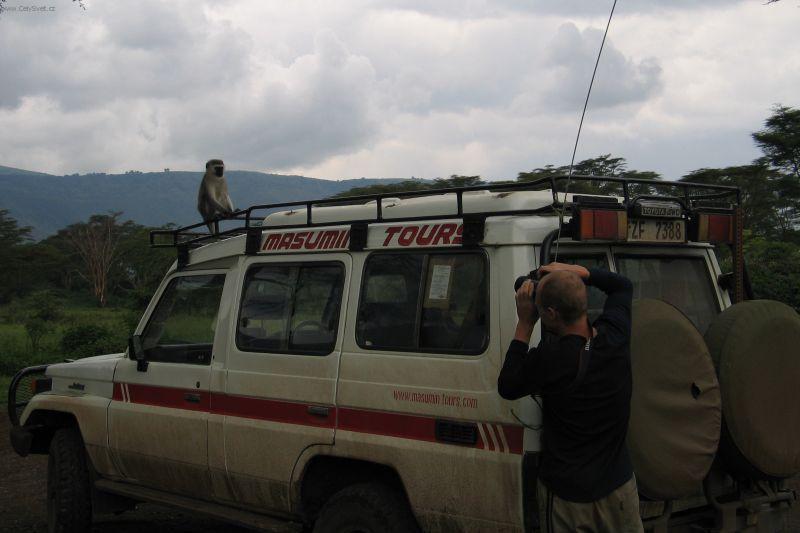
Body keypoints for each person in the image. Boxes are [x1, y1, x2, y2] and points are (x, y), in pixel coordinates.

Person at [497, 262, 643, 533]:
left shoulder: (549, 359)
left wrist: (525, 324)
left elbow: (507, 385)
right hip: (619, 488)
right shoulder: (615, 336)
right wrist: (577, 272)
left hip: (569, 496)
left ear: (550, 314)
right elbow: (622, 285)